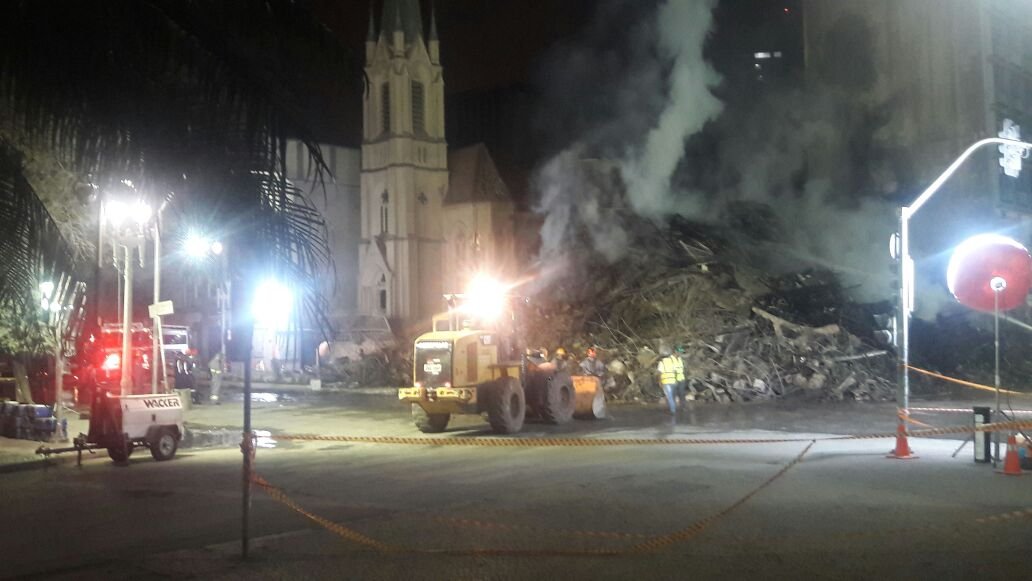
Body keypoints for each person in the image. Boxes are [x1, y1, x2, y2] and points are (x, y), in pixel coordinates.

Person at [656, 345, 686, 414]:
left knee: (678, 395)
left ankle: (676, 409)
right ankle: (674, 409)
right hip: (673, 380)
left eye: (681, 352)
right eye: (679, 352)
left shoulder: (679, 359)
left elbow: (660, 373)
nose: (680, 354)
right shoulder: (671, 360)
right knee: (673, 395)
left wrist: (660, 381)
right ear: (675, 352)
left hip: (676, 380)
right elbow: (674, 371)